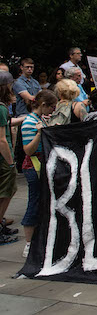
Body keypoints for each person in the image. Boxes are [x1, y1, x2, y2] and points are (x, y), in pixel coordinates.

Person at [21, 89, 58, 257]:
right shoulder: (30, 122)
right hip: (33, 167)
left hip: (39, 165)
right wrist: (39, 134)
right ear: (43, 105)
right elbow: (28, 150)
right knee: (34, 203)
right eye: (52, 107)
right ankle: (28, 244)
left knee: (39, 202)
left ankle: (34, 241)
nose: (53, 111)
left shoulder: (38, 119)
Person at [0, 72, 20, 244]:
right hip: (3, 159)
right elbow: (1, 139)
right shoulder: (1, 108)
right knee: (6, 192)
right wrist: (10, 162)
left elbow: (7, 123)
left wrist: (22, 119)